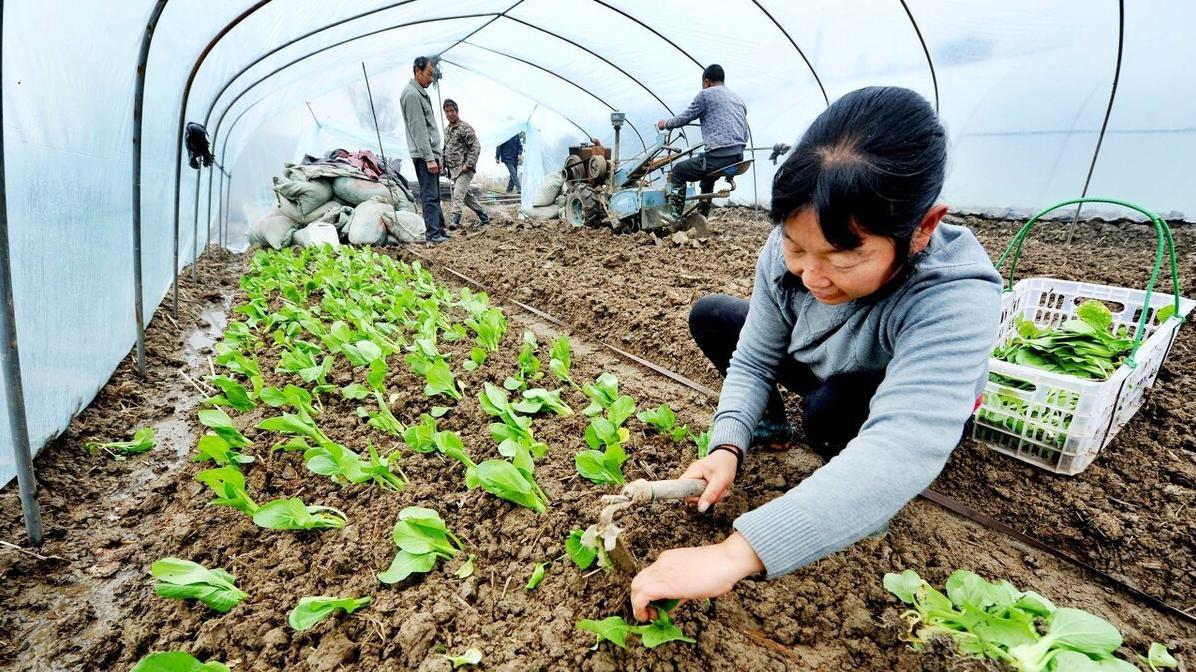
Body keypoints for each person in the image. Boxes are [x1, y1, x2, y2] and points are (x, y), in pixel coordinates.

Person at [629, 87, 1002, 622]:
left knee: (830, 411)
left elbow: (904, 443)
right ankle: (769, 430)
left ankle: (854, 501)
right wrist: (726, 445)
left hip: (885, 397)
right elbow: (754, 358)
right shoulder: (798, 244)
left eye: (843, 255)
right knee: (715, 315)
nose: (811, 275)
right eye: (796, 247)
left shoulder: (955, 291)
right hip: (826, 366)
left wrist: (738, 553)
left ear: (922, 228)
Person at [657, 64, 748, 219]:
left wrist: (666, 124)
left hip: (718, 157)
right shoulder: (738, 99)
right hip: (738, 158)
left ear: (707, 82)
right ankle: (703, 217)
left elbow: (685, 117)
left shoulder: (705, 95)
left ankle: (674, 218)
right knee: (708, 178)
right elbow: (745, 134)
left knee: (678, 171)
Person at [400, 56, 448, 244]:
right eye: (429, 75)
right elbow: (419, 129)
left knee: (435, 194)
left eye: (433, 76)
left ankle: (439, 231)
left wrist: (437, 156)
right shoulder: (411, 94)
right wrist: (429, 158)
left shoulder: (419, 93)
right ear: (417, 71)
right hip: (423, 155)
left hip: (430, 154)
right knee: (429, 195)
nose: (431, 79)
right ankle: (433, 234)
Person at [440, 99, 491, 231]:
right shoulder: (447, 131)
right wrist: (442, 163)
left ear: (457, 111)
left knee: (457, 194)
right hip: (454, 170)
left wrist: (469, 164)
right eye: (447, 111)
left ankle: (455, 220)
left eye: (452, 111)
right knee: (467, 197)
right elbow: (446, 149)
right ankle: (484, 217)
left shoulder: (465, 128)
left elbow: (476, 146)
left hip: (465, 169)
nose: (450, 114)